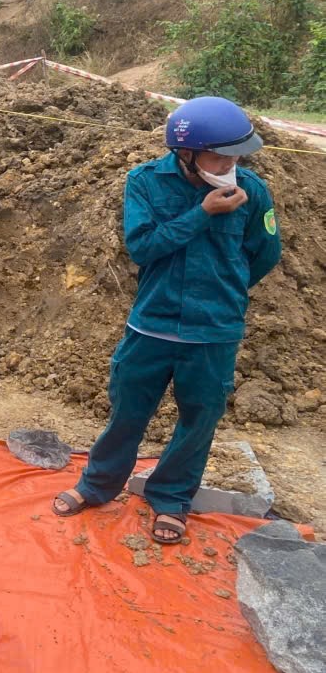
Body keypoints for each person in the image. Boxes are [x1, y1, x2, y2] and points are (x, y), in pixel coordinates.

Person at [51, 96, 281, 544]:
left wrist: (225, 290)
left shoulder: (252, 191)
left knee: (199, 421)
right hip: (151, 326)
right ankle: (97, 486)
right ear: (186, 152)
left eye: (237, 155)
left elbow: (265, 254)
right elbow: (143, 247)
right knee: (127, 412)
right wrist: (202, 213)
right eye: (220, 155)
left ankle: (172, 499)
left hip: (213, 332)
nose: (231, 164)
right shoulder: (145, 182)